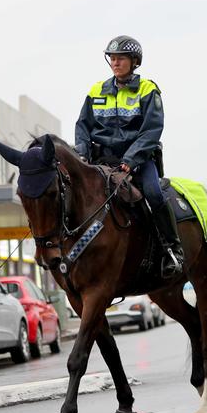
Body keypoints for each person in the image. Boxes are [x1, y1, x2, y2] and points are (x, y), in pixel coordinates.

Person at [74, 35, 184, 278]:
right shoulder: (96, 90)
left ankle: (171, 249)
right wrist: (82, 154)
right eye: (112, 58)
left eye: (120, 58)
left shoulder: (148, 90)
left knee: (154, 193)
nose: (115, 62)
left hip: (139, 161)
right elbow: (82, 126)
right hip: (102, 161)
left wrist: (131, 160)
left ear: (134, 61)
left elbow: (152, 130)